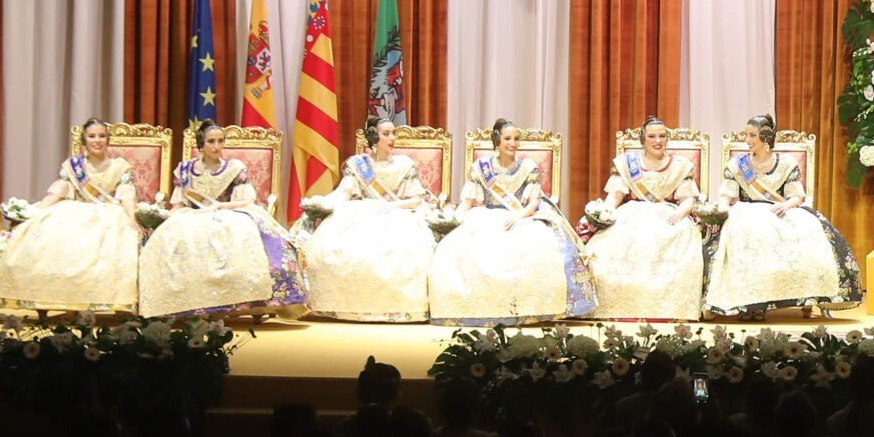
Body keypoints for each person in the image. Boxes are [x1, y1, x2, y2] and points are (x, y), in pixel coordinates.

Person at [138, 121, 307, 318]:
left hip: (228, 213)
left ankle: (241, 301)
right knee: (173, 237)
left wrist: (219, 206)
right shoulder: (185, 171)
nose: (217, 146)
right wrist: (166, 219)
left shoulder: (234, 168)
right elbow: (180, 203)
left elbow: (246, 200)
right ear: (201, 144)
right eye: (211, 141)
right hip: (192, 215)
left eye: (220, 141)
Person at [429, 120, 591, 325]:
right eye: (507, 139)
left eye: (516, 139)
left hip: (520, 216)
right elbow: (467, 202)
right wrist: (454, 220)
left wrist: (519, 216)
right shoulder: (481, 167)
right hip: (485, 216)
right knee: (462, 249)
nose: (513, 143)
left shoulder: (529, 167)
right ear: (498, 140)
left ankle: (528, 308)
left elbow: (533, 203)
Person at [706, 115, 864, 320]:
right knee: (746, 233)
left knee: (806, 230)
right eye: (747, 135)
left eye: (752, 135)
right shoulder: (738, 165)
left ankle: (802, 295)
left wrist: (786, 205)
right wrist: (722, 209)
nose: (747, 140)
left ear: (766, 137)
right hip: (747, 213)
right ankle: (749, 304)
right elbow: (728, 194)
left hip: (780, 209)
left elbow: (796, 196)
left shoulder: (786, 163)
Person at [0, 117, 140, 314]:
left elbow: (126, 193)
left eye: (101, 136)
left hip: (108, 214)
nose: (97, 140)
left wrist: (132, 218)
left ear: (108, 140)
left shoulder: (119, 166)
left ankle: (112, 300)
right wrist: (34, 211)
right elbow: (58, 192)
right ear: (84, 140)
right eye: (92, 136)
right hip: (74, 211)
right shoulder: (73, 166)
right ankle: (52, 300)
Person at [301, 116, 438, 322]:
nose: (392, 138)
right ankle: (342, 304)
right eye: (386, 134)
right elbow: (345, 194)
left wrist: (392, 206)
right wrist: (323, 204)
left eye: (393, 133)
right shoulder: (358, 165)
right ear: (374, 136)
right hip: (360, 213)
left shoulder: (404, 165)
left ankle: (398, 306)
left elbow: (415, 200)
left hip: (397, 213)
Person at [585, 117, 707, 321]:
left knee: (681, 235)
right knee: (612, 240)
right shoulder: (627, 164)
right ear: (643, 139)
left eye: (662, 136)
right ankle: (620, 304)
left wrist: (680, 213)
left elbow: (688, 199)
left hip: (668, 214)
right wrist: (605, 213)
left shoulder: (679, 165)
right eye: (652, 136)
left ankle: (668, 306)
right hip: (632, 213)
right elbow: (615, 196)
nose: (658, 140)